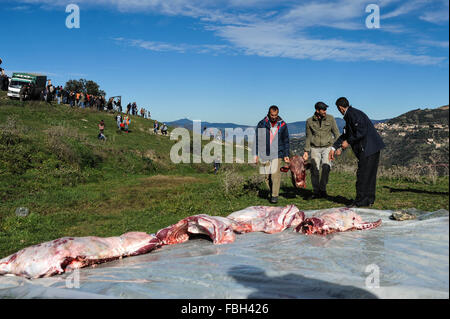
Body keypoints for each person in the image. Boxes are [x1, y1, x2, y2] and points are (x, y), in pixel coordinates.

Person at [329, 97, 385, 208]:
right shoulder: (352, 114)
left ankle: (361, 201)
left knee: (363, 175)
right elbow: (346, 134)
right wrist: (334, 147)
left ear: (340, 108)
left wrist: (348, 142)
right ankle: (369, 199)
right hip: (372, 148)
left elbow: (361, 131)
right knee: (369, 175)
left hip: (368, 148)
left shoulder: (353, 115)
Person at [254, 105, 290, 204]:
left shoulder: (282, 124)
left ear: (277, 114)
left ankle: (274, 195)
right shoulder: (262, 124)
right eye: (272, 115)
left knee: (275, 174)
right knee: (267, 176)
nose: (274, 117)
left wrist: (286, 154)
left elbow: (286, 140)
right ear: (269, 113)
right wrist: (256, 154)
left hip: (277, 152)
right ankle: (272, 190)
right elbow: (257, 139)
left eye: (275, 115)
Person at [303, 102, 340, 199]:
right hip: (314, 148)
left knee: (326, 168)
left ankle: (323, 190)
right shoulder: (309, 121)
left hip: (327, 147)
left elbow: (337, 134)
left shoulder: (331, 119)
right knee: (314, 170)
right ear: (317, 110)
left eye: (325, 109)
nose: (325, 111)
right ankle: (316, 192)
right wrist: (306, 151)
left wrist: (336, 147)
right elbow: (308, 137)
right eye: (323, 109)